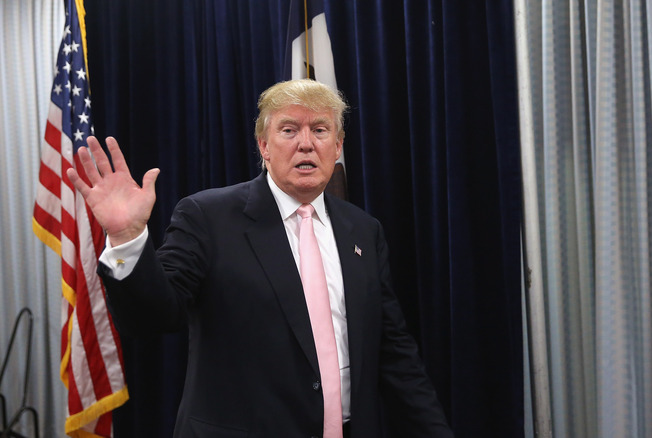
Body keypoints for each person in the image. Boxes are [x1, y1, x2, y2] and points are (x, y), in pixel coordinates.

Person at [68, 79, 454, 438]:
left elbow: (393, 352)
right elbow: (154, 316)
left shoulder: (363, 230)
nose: (306, 144)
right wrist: (127, 237)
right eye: (289, 130)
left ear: (337, 147)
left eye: (320, 130)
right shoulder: (207, 216)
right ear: (264, 146)